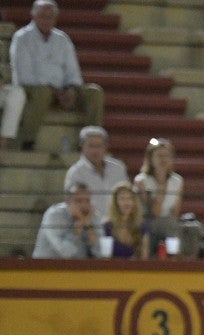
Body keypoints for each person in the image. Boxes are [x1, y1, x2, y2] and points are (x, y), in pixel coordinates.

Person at [7, 0, 104, 152]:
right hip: (33, 89)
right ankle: (28, 141)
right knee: (42, 93)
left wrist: (71, 88)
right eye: (42, 16)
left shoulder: (62, 39)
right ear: (33, 16)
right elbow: (23, 74)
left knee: (94, 92)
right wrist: (55, 91)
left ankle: (90, 142)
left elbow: (73, 70)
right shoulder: (22, 38)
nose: (46, 20)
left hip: (62, 89)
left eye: (50, 16)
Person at [62, 125, 128, 220]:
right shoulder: (75, 173)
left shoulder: (118, 168)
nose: (95, 150)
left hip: (117, 223)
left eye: (99, 146)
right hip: (90, 225)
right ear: (82, 146)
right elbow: (71, 204)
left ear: (105, 147)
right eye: (91, 146)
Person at [134, 136, 183, 249]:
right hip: (147, 220)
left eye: (167, 155)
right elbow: (154, 212)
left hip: (168, 223)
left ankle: (174, 260)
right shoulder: (141, 180)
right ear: (151, 159)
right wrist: (162, 184)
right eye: (160, 155)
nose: (163, 159)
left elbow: (175, 212)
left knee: (177, 228)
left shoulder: (178, 180)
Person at [32, 182, 97, 258]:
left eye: (87, 201)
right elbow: (66, 253)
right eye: (78, 201)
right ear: (68, 202)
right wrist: (78, 229)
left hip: (77, 268)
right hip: (45, 266)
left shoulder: (92, 216)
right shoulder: (54, 215)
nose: (84, 205)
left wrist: (90, 229)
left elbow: (101, 253)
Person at [101, 181, 149, 259]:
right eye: (122, 198)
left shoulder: (141, 226)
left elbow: (144, 257)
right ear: (115, 203)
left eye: (129, 198)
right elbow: (104, 258)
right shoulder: (107, 225)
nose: (126, 202)